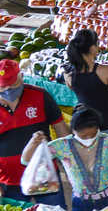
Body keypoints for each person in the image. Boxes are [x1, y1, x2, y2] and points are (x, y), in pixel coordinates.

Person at [24, 106, 108, 211]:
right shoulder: (62, 146)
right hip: (82, 203)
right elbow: (26, 160)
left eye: (93, 134)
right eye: (83, 136)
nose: (89, 139)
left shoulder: (107, 141)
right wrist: (32, 143)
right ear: (73, 131)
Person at [0, 59, 67, 203]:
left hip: (45, 176)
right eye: (3, 87)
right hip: (8, 182)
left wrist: (71, 164)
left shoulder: (40, 96)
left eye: (13, 84)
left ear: (21, 77)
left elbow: (62, 132)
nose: (8, 90)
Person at [63, 30, 108, 148]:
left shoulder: (68, 74)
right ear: (92, 48)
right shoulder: (104, 70)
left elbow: (81, 91)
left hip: (91, 128)